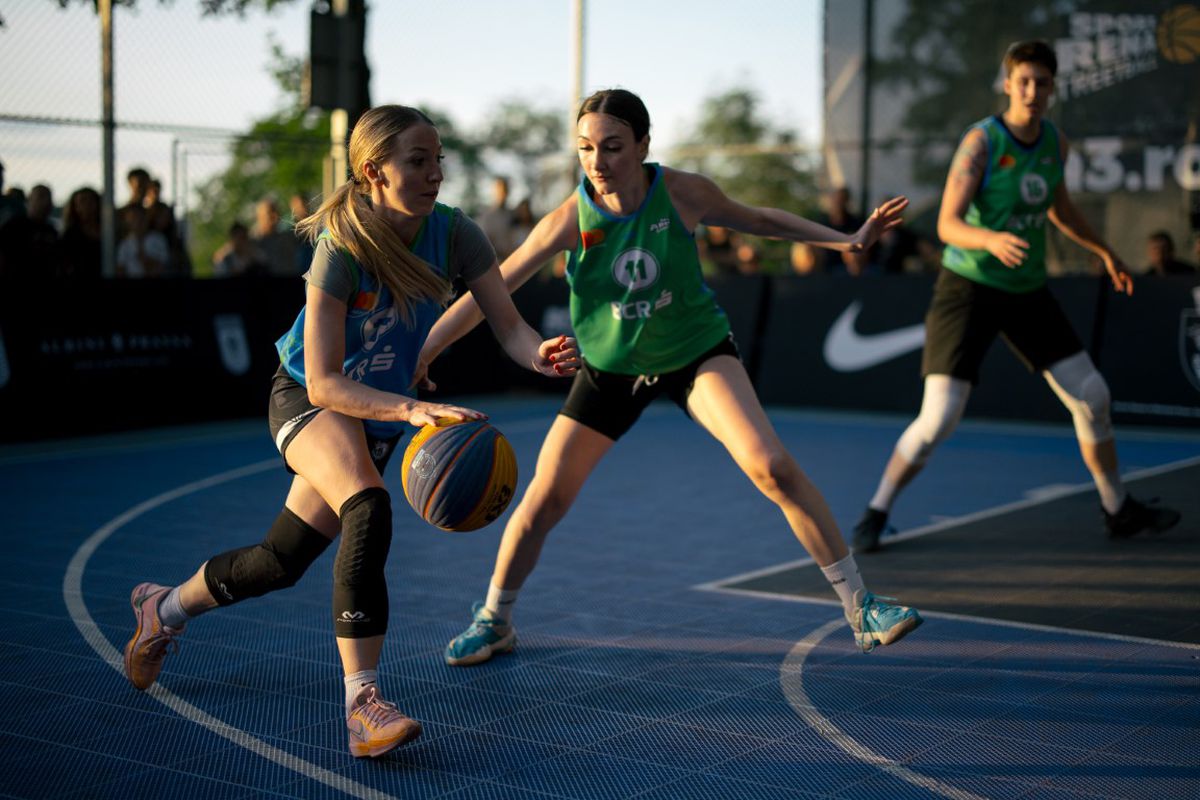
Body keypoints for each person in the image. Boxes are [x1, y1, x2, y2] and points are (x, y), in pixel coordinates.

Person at [121, 105, 579, 758]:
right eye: (417, 161)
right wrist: (410, 411)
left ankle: (162, 611)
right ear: (374, 171)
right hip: (311, 399)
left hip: (379, 406)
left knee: (281, 560)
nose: (435, 173)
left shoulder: (456, 234)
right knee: (369, 504)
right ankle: (363, 702)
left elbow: (508, 326)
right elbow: (324, 383)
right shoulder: (341, 249)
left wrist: (537, 354)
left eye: (438, 159)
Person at [415, 88, 923, 667]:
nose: (597, 162)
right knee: (543, 500)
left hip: (694, 353)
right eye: (584, 148)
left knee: (773, 466)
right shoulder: (568, 220)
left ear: (643, 146)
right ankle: (494, 619)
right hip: (609, 370)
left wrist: (846, 239)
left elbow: (760, 220)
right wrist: (426, 349)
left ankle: (861, 607)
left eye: (612, 146)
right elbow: (492, 289)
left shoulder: (682, 192)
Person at [851, 41, 1181, 553]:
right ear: (1007, 85)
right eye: (1023, 81)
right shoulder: (981, 143)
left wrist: (1105, 250)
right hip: (968, 288)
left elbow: (1061, 208)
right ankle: (877, 509)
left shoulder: (1055, 144)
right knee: (939, 418)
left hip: (1025, 291)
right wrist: (991, 239)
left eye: (1042, 82)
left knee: (1093, 396)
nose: (1032, 91)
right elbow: (947, 224)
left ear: (1053, 88)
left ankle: (1117, 509)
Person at [59, 186, 103, 281]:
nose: (87, 205)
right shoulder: (70, 235)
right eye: (82, 201)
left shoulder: (108, 231)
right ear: (75, 207)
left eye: (91, 201)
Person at [252, 197, 300, 276]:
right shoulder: (251, 244)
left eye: (277, 212)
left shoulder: (288, 238)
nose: (276, 216)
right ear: (259, 217)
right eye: (270, 213)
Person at [476, 176, 517, 262]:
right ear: (495, 191)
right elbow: (485, 243)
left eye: (505, 189)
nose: (503, 193)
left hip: (513, 261)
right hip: (495, 263)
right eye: (500, 190)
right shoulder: (487, 216)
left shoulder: (512, 214)